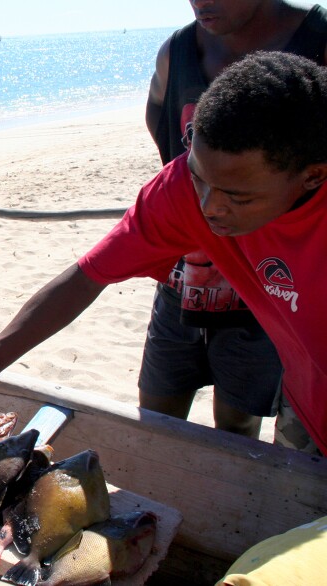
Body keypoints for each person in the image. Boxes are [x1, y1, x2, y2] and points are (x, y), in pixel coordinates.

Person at [0, 52, 327, 457]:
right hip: (306, 408)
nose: (209, 207)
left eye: (237, 196)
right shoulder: (181, 190)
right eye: (200, 177)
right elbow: (87, 276)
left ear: (313, 176)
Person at [140, 1, 327, 438]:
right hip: (186, 274)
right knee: (157, 417)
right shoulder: (179, 52)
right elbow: (164, 134)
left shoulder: (318, 42)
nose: (203, 2)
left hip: (276, 286)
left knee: (240, 428)